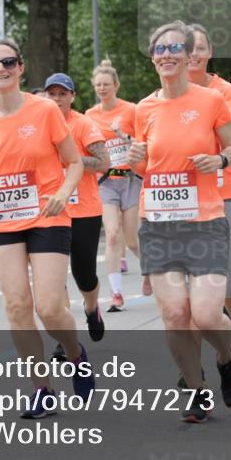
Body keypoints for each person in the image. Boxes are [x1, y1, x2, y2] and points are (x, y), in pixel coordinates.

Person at [0, 39, 94, 418]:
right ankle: (42, 390)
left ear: (20, 68)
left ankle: (74, 354)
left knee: (50, 307)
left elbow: (74, 163)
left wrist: (65, 193)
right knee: (17, 305)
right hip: (3, 219)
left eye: (8, 62)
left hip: (47, 213)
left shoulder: (45, 111)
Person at [128, 20, 231, 423]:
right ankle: (196, 390)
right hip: (159, 224)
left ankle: (227, 358)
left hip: (206, 220)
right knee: (175, 315)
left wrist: (221, 159)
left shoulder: (212, 100)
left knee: (206, 314)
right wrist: (133, 162)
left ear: (187, 54)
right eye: (159, 50)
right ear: (152, 57)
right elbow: (146, 166)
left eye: (175, 48)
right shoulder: (143, 109)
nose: (167, 55)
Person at [188, 24, 231, 377]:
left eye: (200, 47)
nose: (194, 54)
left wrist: (218, 139)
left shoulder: (223, 91)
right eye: (188, 48)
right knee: (190, 289)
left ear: (209, 52)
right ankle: (195, 373)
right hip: (185, 203)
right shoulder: (168, 95)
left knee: (227, 280)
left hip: (226, 195)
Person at [43, 72, 110, 341]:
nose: (57, 99)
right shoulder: (38, 124)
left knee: (84, 274)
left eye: (63, 94)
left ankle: (91, 307)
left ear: (72, 96)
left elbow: (103, 163)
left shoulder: (83, 124)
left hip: (84, 210)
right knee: (56, 278)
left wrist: (70, 160)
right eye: (52, 94)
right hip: (51, 211)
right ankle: (65, 338)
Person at [85, 59, 147, 307]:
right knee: (111, 235)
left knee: (132, 240)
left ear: (116, 85)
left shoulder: (131, 110)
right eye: (98, 85)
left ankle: (151, 270)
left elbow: (143, 143)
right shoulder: (90, 115)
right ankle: (116, 294)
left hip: (130, 180)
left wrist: (124, 136)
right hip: (106, 182)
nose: (102, 88)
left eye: (106, 84)